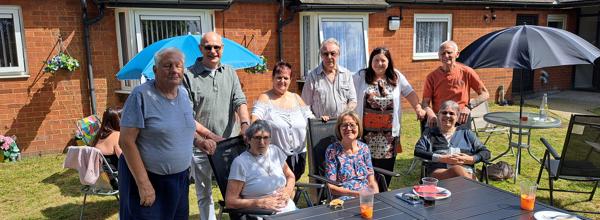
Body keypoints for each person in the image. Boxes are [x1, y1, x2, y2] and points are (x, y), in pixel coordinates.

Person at [119, 48, 195, 219]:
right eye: (167, 66)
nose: (174, 70)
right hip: (150, 179)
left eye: (178, 66)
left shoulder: (183, 93)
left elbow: (183, 125)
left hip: (179, 180)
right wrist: (143, 184)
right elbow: (126, 142)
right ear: (155, 70)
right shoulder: (141, 95)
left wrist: (199, 141)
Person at [183, 32, 250, 220]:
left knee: (239, 188)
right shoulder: (188, 75)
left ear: (222, 48)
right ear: (200, 49)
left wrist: (245, 123)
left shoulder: (230, 72)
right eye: (208, 47)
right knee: (204, 195)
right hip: (201, 147)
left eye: (217, 47)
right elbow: (187, 116)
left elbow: (240, 101)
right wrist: (211, 137)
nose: (213, 51)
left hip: (230, 145)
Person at [353, 47, 426, 189]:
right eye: (376, 60)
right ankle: (368, 196)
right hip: (365, 134)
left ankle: (383, 196)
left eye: (383, 60)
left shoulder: (396, 76)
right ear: (371, 61)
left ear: (388, 62)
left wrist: (417, 108)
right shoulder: (361, 76)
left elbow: (409, 92)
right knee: (366, 169)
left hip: (389, 136)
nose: (379, 63)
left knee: (386, 170)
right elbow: (347, 92)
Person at [251, 61, 315, 181]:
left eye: (286, 78)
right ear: (273, 78)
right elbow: (256, 116)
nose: (282, 81)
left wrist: (321, 121)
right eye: (279, 77)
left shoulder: (296, 98)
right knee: (280, 186)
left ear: (290, 79)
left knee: (292, 183)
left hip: (299, 154)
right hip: (275, 156)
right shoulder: (265, 97)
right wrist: (256, 128)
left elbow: (310, 119)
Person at [225, 120, 297, 215]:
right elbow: (230, 201)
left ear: (270, 139)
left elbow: (290, 176)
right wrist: (260, 203)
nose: (262, 142)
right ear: (249, 140)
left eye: (266, 137)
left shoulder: (275, 151)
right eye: (257, 138)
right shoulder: (240, 163)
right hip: (262, 214)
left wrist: (287, 191)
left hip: (290, 211)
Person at [414, 100, 491, 180]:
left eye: (451, 113)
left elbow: (486, 152)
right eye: (444, 113)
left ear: (457, 117)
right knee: (456, 170)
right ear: (438, 115)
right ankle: (474, 187)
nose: (447, 116)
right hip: (439, 172)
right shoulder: (430, 133)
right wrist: (442, 158)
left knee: (458, 171)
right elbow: (418, 151)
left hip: (466, 171)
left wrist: (471, 159)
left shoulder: (466, 133)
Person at [421, 40, 489, 129]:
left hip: (461, 118)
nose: (446, 56)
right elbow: (425, 103)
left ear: (457, 54)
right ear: (439, 56)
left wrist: (469, 107)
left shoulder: (467, 72)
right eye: (442, 53)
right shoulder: (432, 77)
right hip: (441, 119)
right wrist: (430, 114)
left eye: (449, 53)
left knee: (462, 143)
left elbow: (485, 94)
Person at [324, 111, 379, 200]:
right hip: (344, 198)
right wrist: (357, 194)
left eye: (352, 125)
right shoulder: (332, 150)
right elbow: (331, 187)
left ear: (358, 127)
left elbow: (371, 180)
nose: (348, 128)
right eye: (344, 125)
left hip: (366, 196)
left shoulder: (364, 148)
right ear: (339, 129)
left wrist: (377, 196)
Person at [301, 38, 357, 121]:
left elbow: (353, 100)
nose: (329, 57)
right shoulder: (312, 76)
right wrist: (316, 120)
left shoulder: (346, 74)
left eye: (333, 53)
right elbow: (304, 106)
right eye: (325, 54)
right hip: (321, 126)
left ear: (339, 54)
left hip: (342, 125)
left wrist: (345, 114)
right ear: (321, 55)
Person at [91, 107, 123, 171]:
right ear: (118, 120)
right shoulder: (117, 135)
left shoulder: (98, 134)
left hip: (101, 173)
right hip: (115, 174)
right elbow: (123, 159)